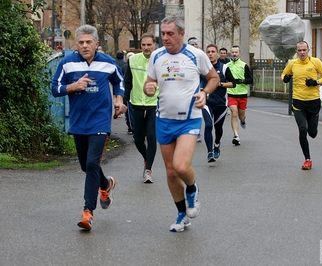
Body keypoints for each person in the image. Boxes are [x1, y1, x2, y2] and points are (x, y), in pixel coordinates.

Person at [143, 15, 219, 232]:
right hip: (164, 119)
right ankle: (181, 215)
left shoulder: (196, 55)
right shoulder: (156, 56)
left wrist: (204, 92)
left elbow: (213, 78)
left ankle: (192, 188)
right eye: (163, 34)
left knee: (181, 166)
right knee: (170, 172)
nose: (165, 38)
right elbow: (150, 83)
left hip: (189, 119)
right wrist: (148, 88)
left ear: (181, 33)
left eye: (170, 34)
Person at [51, 24, 127, 231]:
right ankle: (106, 184)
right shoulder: (67, 64)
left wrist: (119, 100)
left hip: (100, 121)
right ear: (76, 44)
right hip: (78, 122)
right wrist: (72, 87)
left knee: (92, 163)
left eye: (88, 42)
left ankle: (87, 212)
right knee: (86, 166)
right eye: (81, 42)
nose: (85, 46)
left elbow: (119, 81)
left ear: (96, 43)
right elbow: (55, 88)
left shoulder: (108, 63)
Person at [281, 41, 322, 170]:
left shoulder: (315, 62)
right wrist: (285, 78)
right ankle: (307, 159)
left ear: (308, 50)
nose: (302, 53)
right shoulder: (292, 63)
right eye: (299, 50)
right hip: (298, 102)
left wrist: (316, 82)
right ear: (296, 51)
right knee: (302, 130)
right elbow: (283, 74)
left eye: (304, 50)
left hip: (313, 101)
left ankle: (313, 130)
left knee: (312, 133)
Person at [124, 33, 158, 183]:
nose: (146, 48)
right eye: (143, 45)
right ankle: (146, 158)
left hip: (154, 105)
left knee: (151, 136)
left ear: (154, 45)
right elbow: (127, 83)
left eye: (149, 45)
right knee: (138, 139)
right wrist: (123, 102)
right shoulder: (132, 60)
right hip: (136, 104)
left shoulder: (160, 61)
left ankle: (148, 170)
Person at [203, 44, 236, 162]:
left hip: (221, 103)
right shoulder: (203, 69)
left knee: (218, 128)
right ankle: (209, 153)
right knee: (208, 125)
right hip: (207, 102)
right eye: (208, 52)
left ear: (217, 54)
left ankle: (217, 144)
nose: (210, 54)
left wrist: (220, 84)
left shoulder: (224, 68)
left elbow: (233, 83)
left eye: (213, 51)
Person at [227, 45, 253, 146]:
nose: (234, 54)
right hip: (231, 94)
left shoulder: (244, 65)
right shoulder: (227, 65)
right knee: (234, 113)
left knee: (241, 115)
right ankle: (236, 136)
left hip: (242, 94)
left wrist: (242, 81)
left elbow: (250, 80)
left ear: (240, 53)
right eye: (232, 52)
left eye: (236, 52)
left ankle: (243, 120)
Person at [187, 36, 206, 143]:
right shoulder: (183, 56)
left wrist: (202, 87)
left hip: (197, 89)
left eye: (195, 44)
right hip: (185, 89)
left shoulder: (201, 57)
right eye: (192, 44)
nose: (194, 46)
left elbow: (205, 75)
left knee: (196, 110)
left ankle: (197, 132)